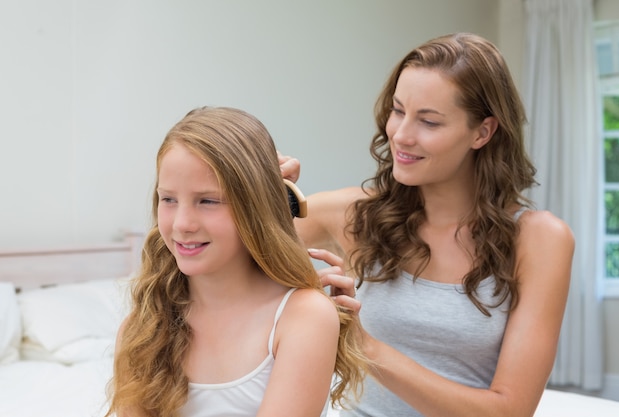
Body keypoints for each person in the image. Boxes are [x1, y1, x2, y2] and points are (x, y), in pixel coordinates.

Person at [279, 32, 575, 417]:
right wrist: (263, 187)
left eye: (429, 122)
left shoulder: (539, 239)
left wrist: (364, 345)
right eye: (398, 110)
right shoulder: (355, 214)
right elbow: (211, 246)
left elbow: (509, 410)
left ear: (483, 132)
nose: (401, 135)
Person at [105, 106, 367, 417]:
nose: (182, 224)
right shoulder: (141, 330)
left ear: (255, 207)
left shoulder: (303, 317)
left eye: (208, 201)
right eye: (169, 199)